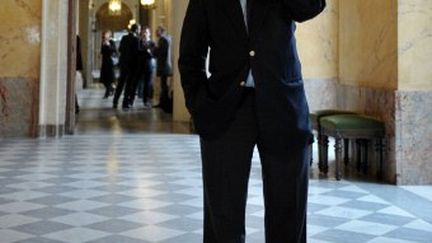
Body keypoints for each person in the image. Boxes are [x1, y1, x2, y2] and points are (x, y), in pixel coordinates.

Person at [179, 0, 326, 242]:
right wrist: (199, 105)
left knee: (288, 212)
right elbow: (190, 56)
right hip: (225, 109)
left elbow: (310, 7)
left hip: (283, 107)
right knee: (223, 218)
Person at [113, 24, 140, 109]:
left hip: (123, 63)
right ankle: (125, 102)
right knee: (128, 84)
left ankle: (115, 101)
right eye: (139, 29)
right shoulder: (136, 39)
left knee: (121, 83)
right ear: (136, 30)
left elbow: (120, 49)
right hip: (132, 65)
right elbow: (137, 53)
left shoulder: (124, 38)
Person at [154, 26, 173, 113]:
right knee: (163, 85)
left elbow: (161, 53)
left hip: (164, 67)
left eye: (157, 31)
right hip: (163, 66)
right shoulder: (163, 40)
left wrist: (154, 49)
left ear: (161, 31)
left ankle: (164, 104)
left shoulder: (163, 40)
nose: (156, 32)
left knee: (164, 86)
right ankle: (162, 103)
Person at [137, 26, 156, 108]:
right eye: (144, 32)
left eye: (146, 32)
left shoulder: (152, 43)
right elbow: (138, 53)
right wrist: (145, 51)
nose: (145, 34)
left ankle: (146, 100)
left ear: (149, 33)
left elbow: (154, 54)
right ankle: (137, 96)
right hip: (140, 64)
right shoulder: (139, 42)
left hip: (148, 65)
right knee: (139, 82)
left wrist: (148, 52)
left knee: (147, 83)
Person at [100, 30, 117, 99]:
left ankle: (106, 94)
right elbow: (102, 51)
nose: (104, 35)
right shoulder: (103, 42)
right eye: (104, 34)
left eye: (106, 34)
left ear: (109, 35)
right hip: (104, 61)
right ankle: (112, 88)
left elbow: (114, 51)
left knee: (109, 79)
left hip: (110, 62)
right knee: (104, 79)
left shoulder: (111, 42)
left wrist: (108, 45)